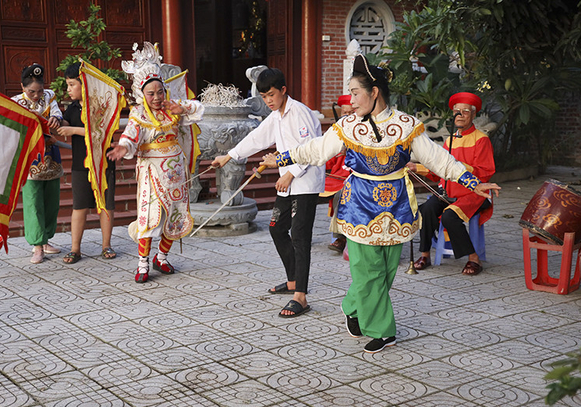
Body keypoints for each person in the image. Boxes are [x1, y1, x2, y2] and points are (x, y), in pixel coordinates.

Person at [260, 55, 500, 352]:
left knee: (386, 270)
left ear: (374, 93)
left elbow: (439, 159)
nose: (352, 99)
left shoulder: (406, 125)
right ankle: (383, 330)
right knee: (368, 268)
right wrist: (283, 158)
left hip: (397, 206)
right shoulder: (347, 126)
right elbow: (316, 150)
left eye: (356, 92)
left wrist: (473, 182)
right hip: (359, 205)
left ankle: (352, 306)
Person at [211, 68, 324, 318]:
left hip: (304, 183)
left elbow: (312, 149)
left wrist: (290, 173)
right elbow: (256, 138)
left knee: (300, 236)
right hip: (288, 182)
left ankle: (301, 297)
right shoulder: (276, 116)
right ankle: (293, 280)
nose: (268, 101)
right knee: (276, 227)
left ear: (283, 90)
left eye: (271, 95)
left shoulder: (300, 113)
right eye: (264, 97)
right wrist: (229, 156)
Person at [107, 42, 203, 283]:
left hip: (176, 171)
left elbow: (199, 109)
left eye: (160, 91)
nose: (157, 97)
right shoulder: (138, 114)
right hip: (151, 170)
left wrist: (182, 107)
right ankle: (142, 264)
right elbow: (130, 137)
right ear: (142, 94)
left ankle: (162, 256)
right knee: (149, 216)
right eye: (151, 94)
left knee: (175, 214)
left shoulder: (174, 108)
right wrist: (123, 147)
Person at [409, 92, 495, 275]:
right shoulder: (450, 139)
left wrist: (458, 167)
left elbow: (485, 173)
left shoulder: (481, 139)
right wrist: (416, 168)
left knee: (449, 216)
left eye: (465, 111)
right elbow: (439, 169)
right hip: (447, 192)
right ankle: (425, 254)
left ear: (473, 115)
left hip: (473, 194)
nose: (460, 114)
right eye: (457, 111)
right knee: (426, 210)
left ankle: (474, 258)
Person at [56, 62, 117, 264]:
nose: (69, 89)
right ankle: (75, 249)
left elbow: (102, 133)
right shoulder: (72, 108)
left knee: (106, 205)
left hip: (104, 162)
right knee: (79, 206)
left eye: (72, 84)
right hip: (80, 165)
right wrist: (57, 122)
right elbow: (64, 123)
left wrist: (73, 130)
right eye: (68, 85)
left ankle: (106, 245)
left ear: (85, 85)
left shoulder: (101, 106)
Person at [11, 63, 63, 264]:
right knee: (33, 201)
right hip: (30, 157)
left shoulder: (49, 96)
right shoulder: (15, 102)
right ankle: (37, 245)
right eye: (31, 91)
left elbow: (57, 114)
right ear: (22, 88)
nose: (36, 95)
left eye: (39, 90)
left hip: (51, 155)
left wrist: (56, 121)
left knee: (52, 200)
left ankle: (46, 238)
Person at [324, 94, 354, 253]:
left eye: (351, 113)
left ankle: (341, 237)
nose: (348, 117)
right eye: (345, 113)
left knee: (341, 194)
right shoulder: (336, 133)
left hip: (355, 178)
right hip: (336, 177)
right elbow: (327, 161)